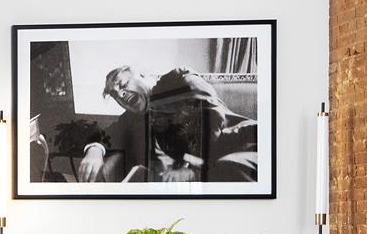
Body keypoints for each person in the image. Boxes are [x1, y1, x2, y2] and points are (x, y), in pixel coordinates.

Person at [76, 65, 258, 183]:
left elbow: (211, 120)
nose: (121, 95)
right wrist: (95, 150)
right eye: (115, 95)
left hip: (244, 146)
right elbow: (107, 133)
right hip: (197, 175)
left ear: (144, 75)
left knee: (227, 170)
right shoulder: (134, 117)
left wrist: (188, 167)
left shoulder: (180, 79)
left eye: (123, 84)